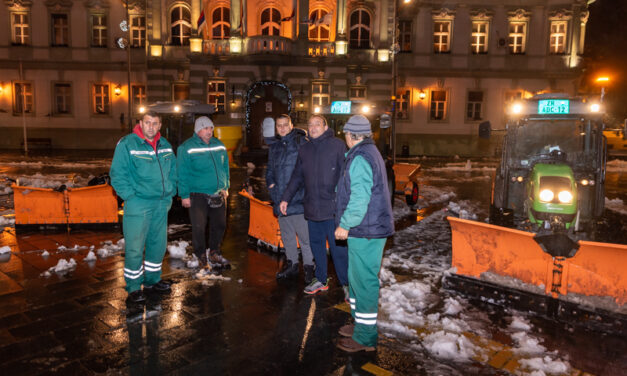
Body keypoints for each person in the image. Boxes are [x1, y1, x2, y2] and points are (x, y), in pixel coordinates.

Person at [334, 115, 394, 352]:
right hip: (367, 229)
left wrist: (345, 224)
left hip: (366, 229)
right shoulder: (368, 152)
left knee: (365, 283)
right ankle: (360, 323)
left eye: (345, 135)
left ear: (350, 135)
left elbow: (360, 198)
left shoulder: (360, 157)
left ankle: (365, 338)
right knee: (356, 279)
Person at [110, 111, 177, 304]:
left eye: (155, 123)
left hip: (161, 203)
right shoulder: (127, 144)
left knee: (157, 244)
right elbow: (117, 174)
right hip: (138, 203)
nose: (151, 127)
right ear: (140, 123)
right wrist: (130, 196)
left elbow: (172, 170)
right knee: (135, 247)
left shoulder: (165, 145)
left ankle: (152, 280)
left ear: (159, 125)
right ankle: (133, 287)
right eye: (147, 122)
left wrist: (170, 192)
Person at [280, 115, 349, 297]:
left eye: (317, 124)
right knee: (316, 246)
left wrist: (343, 201)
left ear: (325, 127)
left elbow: (345, 176)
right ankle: (320, 279)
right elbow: (297, 177)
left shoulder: (337, 146)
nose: (313, 127)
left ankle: (347, 284)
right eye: (310, 125)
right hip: (312, 208)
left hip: (332, 209)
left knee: (338, 250)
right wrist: (285, 198)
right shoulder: (305, 149)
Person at [177, 116, 230, 270]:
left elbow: (225, 166)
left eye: (211, 128)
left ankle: (214, 252)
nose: (209, 131)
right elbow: (182, 173)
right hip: (197, 194)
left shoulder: (219, 145)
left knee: (220, 225)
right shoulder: (186, 147)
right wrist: (184, 195)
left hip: (217, 193)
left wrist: (225, 186)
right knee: (199, 227)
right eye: (206, 128)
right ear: (197, 130)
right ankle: (200, 255)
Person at [266, 114, 315, 282]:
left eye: (285, 125)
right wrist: (272, 188)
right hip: (280, 200)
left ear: (291, 125)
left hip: (298, 200)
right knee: (287, 236)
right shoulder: (275, 147)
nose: (282, 128)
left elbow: (308, 171)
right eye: (279, 125)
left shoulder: (301, 143)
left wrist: (301, 192)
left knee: (305, 237)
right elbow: (270, 172)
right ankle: (292, 264)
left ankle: (309, 267)